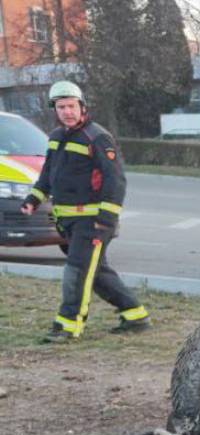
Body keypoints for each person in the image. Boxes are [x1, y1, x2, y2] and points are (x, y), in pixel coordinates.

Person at [22, 80, 147, 342]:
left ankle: (68, 326)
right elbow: (48, 174)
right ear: (54, 109)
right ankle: (135, 315)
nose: (67, 111)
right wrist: (34, 198)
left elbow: (116, 181)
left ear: (82, 107)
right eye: (61, 107)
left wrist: (106, 219)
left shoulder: (97, 137)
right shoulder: (56, 137)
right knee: (97, 272)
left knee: (77, 270)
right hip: (69, 221)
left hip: (93, 222)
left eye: (71, 106)